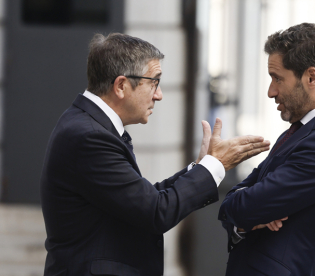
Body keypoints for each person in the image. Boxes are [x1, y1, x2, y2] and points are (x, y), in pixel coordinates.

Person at [40, 33, 270, 276]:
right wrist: (215, 166)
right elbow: (155, 211)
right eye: (154, 82)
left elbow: (141, 199)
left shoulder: (89, 126)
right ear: (121, 86)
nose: (158, 95)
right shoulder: (89, 136)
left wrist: (201, 167)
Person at [218, 23, 315, 276]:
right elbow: (241, 203)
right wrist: (246, 215)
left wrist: (247, 209)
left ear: (311, 78)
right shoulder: (303, 131)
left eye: (277, 78)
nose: (271, 91)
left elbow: (241, 206)